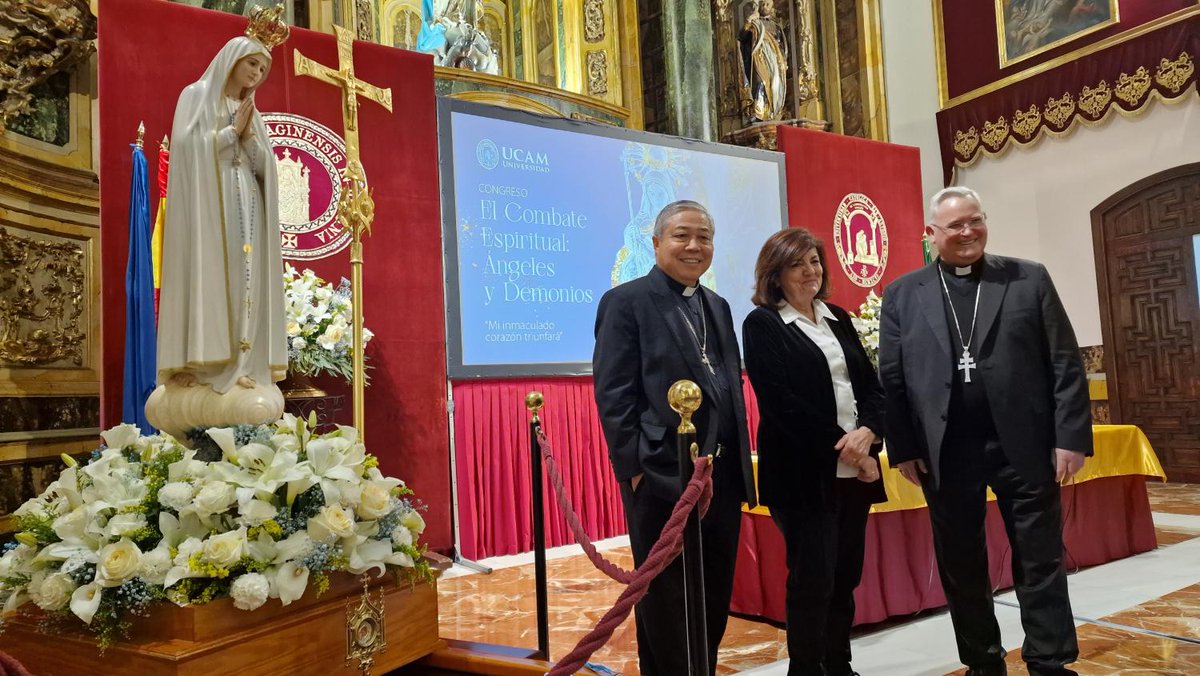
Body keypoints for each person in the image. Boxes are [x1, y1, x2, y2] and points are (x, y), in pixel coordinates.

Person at [879, 186, 1092, 676]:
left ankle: (1050, 660)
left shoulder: (1027, 278)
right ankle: (982, 661)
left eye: (975, 220)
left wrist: (1071, 437)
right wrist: (905, 448)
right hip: (945, 450)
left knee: (1040, 559)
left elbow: (1064, 361)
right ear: (931, 234)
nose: (968, 231)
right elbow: (892, 379)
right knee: (961, 563)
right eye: (955, 225)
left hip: (1025, 443)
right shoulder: (903, 294)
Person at [593, 200, 757, 675]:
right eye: (682, 235)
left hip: (721, 476)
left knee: (713, 592)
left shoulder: (718, 306)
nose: (694, 246)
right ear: (657, 242)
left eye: (704, 236)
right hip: (662, 477)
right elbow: (614, 394)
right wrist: (636, 471)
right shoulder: (626, 302)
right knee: (666, 599)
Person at [742, 228, 886, 676]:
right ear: (775, 274)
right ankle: (806, 669)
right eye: (797, 264)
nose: (810, 272)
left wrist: (869, 433)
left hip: (854, 472)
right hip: (803, 473)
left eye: (815, 262)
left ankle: (838, 665)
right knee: (813, 580)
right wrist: (852, 451)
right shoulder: (763, 323)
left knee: (845, 577)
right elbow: (782, 404)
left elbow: (871, 389)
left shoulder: (839, 317)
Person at [156, 24, 288, 396]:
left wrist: (248, 138)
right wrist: (231, 134)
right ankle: (205, 365)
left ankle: (243, 364)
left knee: (248, 279)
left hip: (246, 200)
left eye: (262, 69)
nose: (256, 74)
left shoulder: (251, 112)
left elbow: (265, 166)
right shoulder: (196, 96)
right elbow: (186, 148)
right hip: (209, 209)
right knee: (214, 276)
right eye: (251, 64)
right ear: (231, 60)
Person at [738, 0, 788, 122]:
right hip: (759, 58)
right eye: (763, 4)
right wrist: (749, 20)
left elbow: (782, 46)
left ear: (772, 8)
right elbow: (742, 37)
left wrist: (784, 60)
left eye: (767, 4)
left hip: (775, 61)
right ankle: (758, 111)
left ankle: (772, 111)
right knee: (760, 81)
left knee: (774, 84)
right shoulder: (755, 22)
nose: (764, 7)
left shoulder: (776, 26)